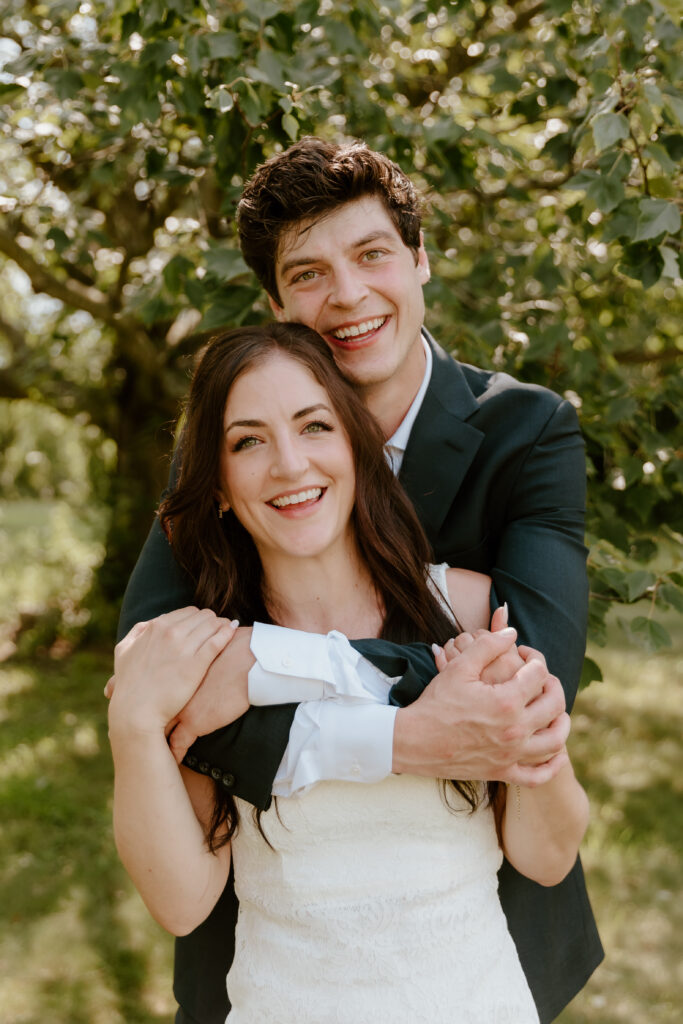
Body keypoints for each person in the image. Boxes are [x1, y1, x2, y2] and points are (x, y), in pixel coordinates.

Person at [118, 138, 603, 1023]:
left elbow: (529, 696)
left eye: (372, 253)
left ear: (418, 257)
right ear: (275, 302)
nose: (345, 295)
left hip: (478, 934)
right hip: (275, 945)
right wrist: (408, 738)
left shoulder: (527, 431)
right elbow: (154, 685)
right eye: (307, 274)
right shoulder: (227, 448)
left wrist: (252, 663)